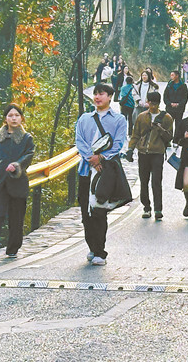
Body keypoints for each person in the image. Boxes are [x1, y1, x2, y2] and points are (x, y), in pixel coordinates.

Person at [74, 83, 127, 266]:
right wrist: (91, 158)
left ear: (110, 96)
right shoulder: (84, 119)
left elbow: (119, 144)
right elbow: (79, 141)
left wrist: (101, 158)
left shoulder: (119, 120)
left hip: (104, 171)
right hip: (85, 169)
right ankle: (92, 246)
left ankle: (100, 251)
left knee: (99, 210)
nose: (97, 97)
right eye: (95, 94)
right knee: (85, 211)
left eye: (101, 94)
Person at [0, 104, 34, 260]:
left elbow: (29, 155)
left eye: (17, 115)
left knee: (16, 217)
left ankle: (12, 248)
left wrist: (16, 166)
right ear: (5, 119)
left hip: (17, 182)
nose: (14, 118)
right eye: (10, 115)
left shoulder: (27, 138)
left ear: (21, 118)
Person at [124, 91, 173, 220]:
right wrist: (130, 149)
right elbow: (136, 134)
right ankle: (146, 207)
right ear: (147, 102)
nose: (152, 106)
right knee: (144, 181)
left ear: (159, 103)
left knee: (156, 181)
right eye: (150, 103)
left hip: (157, 152)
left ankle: (158, 209)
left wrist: (160, 129)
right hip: (143, 153)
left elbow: (169, 137)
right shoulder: (141, 117)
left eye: (155, 103)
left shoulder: (166, 118)